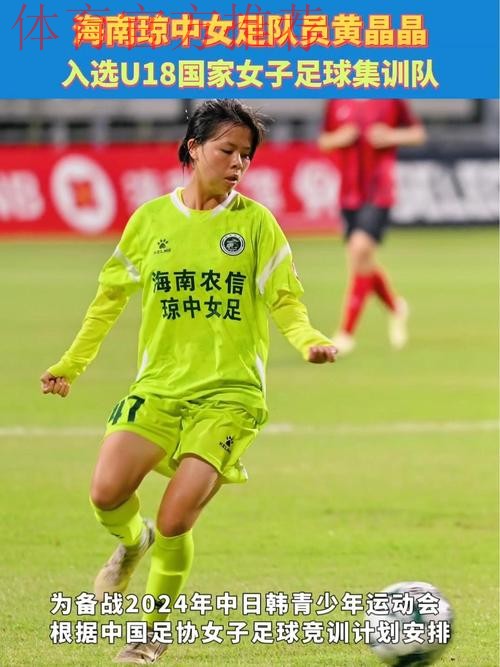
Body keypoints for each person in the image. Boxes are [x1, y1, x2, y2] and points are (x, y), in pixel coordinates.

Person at [40, 99, 337, 664]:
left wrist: (308, 341)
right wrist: (69, 366)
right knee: (106, 494)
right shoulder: (151, 221)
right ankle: (134, 542)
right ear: (194, 148)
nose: (238, 164)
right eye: (227, 150)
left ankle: (148, 636)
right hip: (159, 387)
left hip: (230, 396)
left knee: (177, 517)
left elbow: (287, 302)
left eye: (246, 155)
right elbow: (107, 302)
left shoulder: (256, 224)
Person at [318, 99, 427, 356]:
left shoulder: (391, 98)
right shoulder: (337, 100)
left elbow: (418, 134)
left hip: (379, 192)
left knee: (359, 250)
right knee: (362, 262)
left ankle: (346, 333)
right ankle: (396, 307)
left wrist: (391, 135)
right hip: (348, 195)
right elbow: (324, 141)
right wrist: (340, 138)